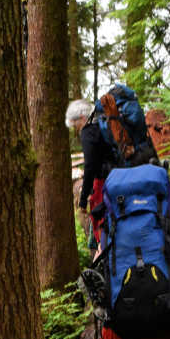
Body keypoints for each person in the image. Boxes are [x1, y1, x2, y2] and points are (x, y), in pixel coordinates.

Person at [65, 99, 108, 246]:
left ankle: (102, 256)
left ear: (82, 118)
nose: (76, 129)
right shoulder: (104, 125)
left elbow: (90, 166)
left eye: (75, 124)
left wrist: (83, 201)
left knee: (101, 224)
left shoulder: (88, 131)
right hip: (119, 177)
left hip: (104, 184)